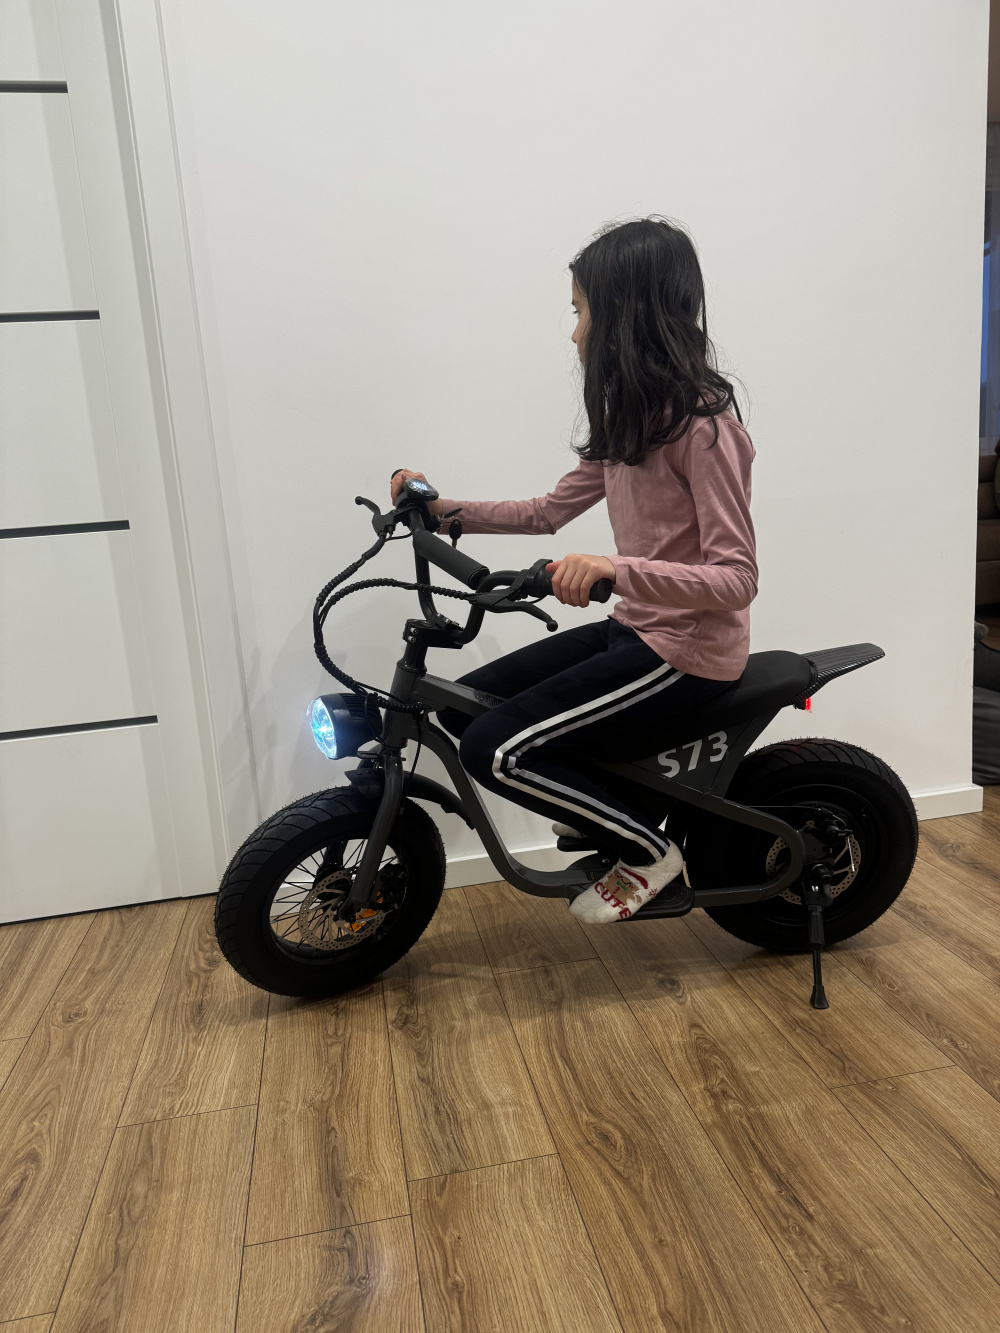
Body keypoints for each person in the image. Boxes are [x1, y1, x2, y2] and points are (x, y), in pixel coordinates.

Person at [391, 217, 757, 923]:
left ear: (626, 315)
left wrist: (614, 568)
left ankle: (649, 852)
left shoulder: (706, 429)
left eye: (580, 312)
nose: (574, 333)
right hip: (637, 630)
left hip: (686, 650)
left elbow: (737, 578)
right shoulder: (634, 420)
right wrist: (441, 510)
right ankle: (606, 809)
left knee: (495, 750)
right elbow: (548, 511)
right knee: (462, 705)